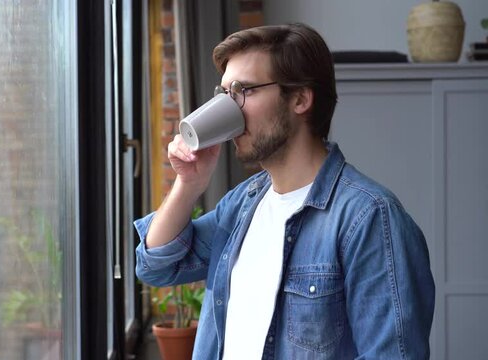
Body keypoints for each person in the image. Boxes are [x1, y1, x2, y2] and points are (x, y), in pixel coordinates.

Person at [135, 23, 435, 359]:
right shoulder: (243, 204)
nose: (229, 108)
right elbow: (156, 266)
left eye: (243, 91)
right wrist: (189, 182)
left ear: (300, 98)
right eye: (224, 95)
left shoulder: (369, 218)